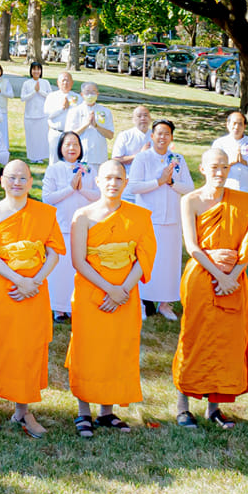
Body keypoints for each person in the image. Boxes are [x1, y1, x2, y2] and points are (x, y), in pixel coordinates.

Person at [173, 146, 248, 429]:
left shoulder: (242, 201)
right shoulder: (190, 200)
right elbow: (192, 246)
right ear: (202, 169)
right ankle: (182, 406)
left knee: (227, 340)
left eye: (224, 167)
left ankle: (214, 408)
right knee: (194, 338)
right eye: (214, 167)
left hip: (235, 278)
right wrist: (219, 274)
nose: (219, 172)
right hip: (202, 276)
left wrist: (233, 276)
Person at [0, 160, 67, 438]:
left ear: (30, 182)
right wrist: (20, 281)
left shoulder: (44, 213)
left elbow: (54, 252)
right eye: (11, 177)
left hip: (34, 291)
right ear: (2, 180)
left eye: (22, 178)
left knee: (29, 348)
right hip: (4, 290)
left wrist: (34, 281)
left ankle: (23, 410)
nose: (16, 182)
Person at [67, 160, 156, 437]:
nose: (113, 183)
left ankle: (107, 412)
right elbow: (78, 260)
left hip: (125, 294)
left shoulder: (139, 216)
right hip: (91, 293)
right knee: (88, 349)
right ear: (97, 181)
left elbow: (144, 256)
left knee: (117, 349)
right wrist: (109, 289)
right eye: (107, 178)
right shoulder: (83, 216)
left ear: (126, 182)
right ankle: (83, 411)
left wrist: (122, 291)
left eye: (118, 178)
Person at [123, 119, 192, 320]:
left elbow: (189, 188)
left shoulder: (178, 159)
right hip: (149, 218)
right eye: (159, 133)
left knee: (169, 263)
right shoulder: (142, 158)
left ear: (171, 137)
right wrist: (158, 181)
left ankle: (165, 303)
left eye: (167, 133)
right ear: (152, 136)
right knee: (146, 261)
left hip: (171, 219)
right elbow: (133, 187)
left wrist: (171, 182)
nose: (163, 137)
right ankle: (141, 302)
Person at [40, 132, 99, 318]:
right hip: (61, 226)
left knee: (80, 269)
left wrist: (82, 189)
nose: (72, 148)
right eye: (68, 144)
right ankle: (59, 308)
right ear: (60, 148)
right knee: (60, 270)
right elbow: (47, 198)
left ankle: (77, 306)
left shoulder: (89, 169)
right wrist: (70, 188)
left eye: (75, 144)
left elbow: (99, 196)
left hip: (84, 228)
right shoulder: (54, 169)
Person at [209, 110, 248, 201]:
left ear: (245, 126)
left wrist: (245, 162)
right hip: (227, 187)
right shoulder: (219, 143)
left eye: (240, 124)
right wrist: (230, 162)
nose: (237, 127)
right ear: (228, 124)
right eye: (234, 123)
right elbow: (213, 166)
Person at [63, 79, 114, 167]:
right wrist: (86, 125)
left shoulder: (105, 111)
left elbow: (110, 135)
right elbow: (69, 135)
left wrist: (96, 126)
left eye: (93, 92)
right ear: (82, 94)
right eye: (87, 92)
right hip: (81, 157)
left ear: (97, 94)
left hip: (99, 157)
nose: (90, 95)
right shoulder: (75, 111)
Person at [41, 70, 79, 162]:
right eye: (63, 81)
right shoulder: (52, 96)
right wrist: (61, 108)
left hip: (71, 135)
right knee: (54, 159)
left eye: (68, 80)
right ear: (58, 83)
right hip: (56, 133)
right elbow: (47, 114)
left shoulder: (78, 98)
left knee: (70, 161)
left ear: (72, 82)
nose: (65, 83)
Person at [20, 62, 52, 165]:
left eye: (38, 69)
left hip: (42, 115)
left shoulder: (45, 82)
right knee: (31, 137)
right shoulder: (27, 83)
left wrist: (40, 91)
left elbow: (50, 96)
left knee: (41, 137)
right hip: (30, 115)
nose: (36, 71)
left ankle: (40, 156)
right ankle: (32, 156)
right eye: (34, 69)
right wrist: (34, 91)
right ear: (31, 71)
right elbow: (23, 98)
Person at [112, 103, 155, 171]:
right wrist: (139, 155)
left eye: (145, 115)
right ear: (133, 120)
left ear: (150, 119)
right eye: (139, 116)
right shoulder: (125, 136)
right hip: (129, 174)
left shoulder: (157, 136)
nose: (143, 118)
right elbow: (116, 160)